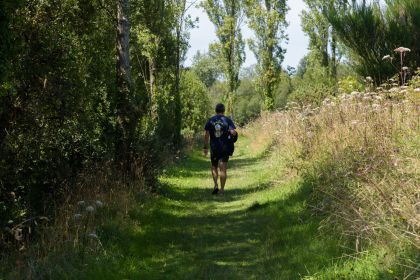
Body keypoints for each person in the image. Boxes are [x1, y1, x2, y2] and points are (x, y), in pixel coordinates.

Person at [203, 103, 237, 195]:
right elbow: (233, 132)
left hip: (214, 148)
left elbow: (206, 135)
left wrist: (205, 147)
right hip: (225, 147)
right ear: (224, 110)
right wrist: (233, 133)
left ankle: (215, 185)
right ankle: (222, 190)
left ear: (216, 110)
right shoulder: (227, 120)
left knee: (214, 166)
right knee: (223, 169)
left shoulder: (210, 120)